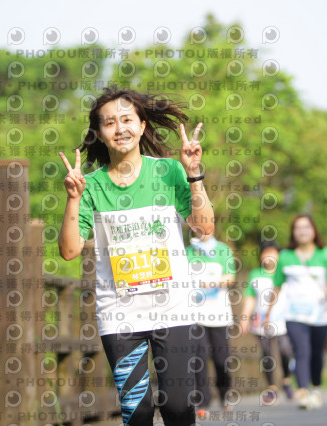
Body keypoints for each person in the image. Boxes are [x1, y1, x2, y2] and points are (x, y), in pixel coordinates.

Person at [58, 87, 215, 426]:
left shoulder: (169, 171)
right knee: (137, 412)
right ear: (99, 134)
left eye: (127, 120)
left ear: (142, 126)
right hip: (119, 314)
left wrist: (194, 175)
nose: (120, 129)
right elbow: (69, 250)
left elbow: (204, 227)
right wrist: (73, 198)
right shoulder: (90, 186)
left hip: (173, 308)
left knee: (177, 407)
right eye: (109, 123)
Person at [273, 214, 327, 410]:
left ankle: (316, 388)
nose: (302, 231)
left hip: (319, 314)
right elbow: (276, 286)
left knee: (316, 353)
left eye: (306, 227)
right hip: (294, 314)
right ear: (293, 232)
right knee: (302, 350)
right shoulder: (285, 256)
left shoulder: (325, 253)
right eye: (298, 227)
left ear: (314, 230)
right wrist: (267, 311)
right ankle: (302, 391)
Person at [185, 235, 236, 419]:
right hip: (196, 314)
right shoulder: (188, 251)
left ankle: (225, 392)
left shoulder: (223, 249)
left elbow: (230, 277)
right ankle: (203, 401)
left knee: (222, 359)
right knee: (200, 358)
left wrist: (212, 283)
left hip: (219, 314)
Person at [240, 240, 294, 405]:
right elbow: (250, 297)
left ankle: (286, 380)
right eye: (265, 253)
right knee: (267, 354)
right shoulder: (255, 274)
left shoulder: (284, 273)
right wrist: (244, 318)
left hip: (282, 320)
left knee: (285, 351)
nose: (269, 256)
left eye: (272, 253)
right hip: (261, 320)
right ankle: (271, 388)